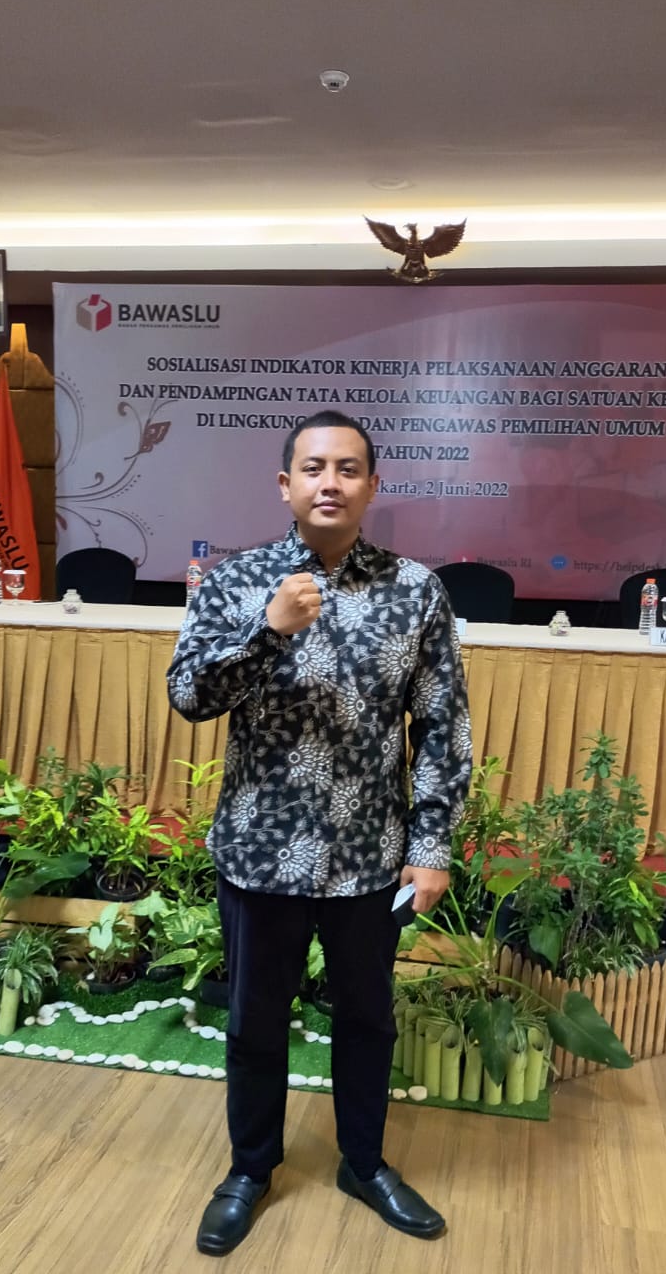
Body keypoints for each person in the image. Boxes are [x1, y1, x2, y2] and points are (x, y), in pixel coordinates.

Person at [167, 409, 472, 1256]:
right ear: (285, 485)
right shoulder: (236, 582)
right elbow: (189, 696)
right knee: (253, 1023)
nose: (328, 482)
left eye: (346, 468)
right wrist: (267, 633)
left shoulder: (415, 589)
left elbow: (441, 724)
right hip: (259, 852)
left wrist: (430, 846)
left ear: (372, 486)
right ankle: (249, 1169)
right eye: (312, 468)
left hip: (369, 857)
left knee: (367, 1020)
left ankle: (363, 1164)